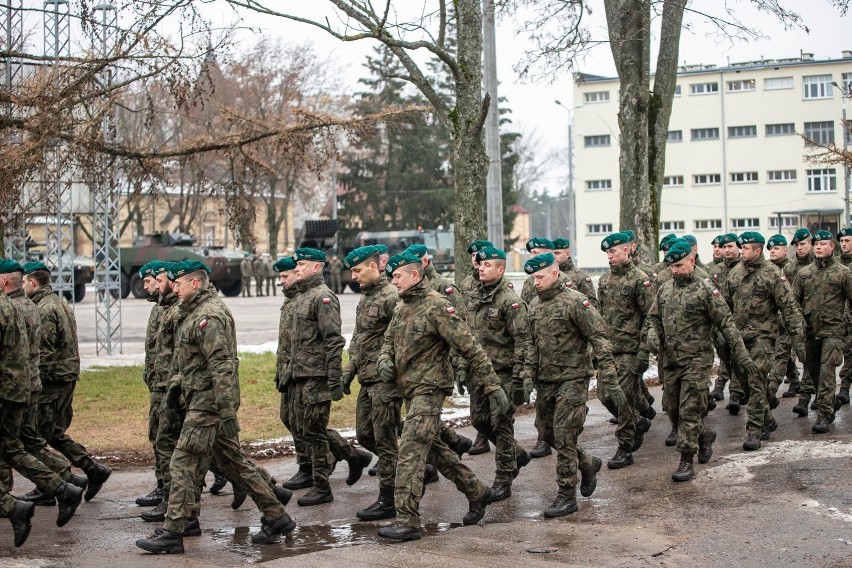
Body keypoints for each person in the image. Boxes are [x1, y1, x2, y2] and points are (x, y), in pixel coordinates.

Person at [135, 261, 295, 554]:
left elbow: (221, 366)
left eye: (179, 284)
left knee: (182, 462)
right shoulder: (192, 312)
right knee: (234, 463)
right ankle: (277, 515)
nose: (175, 289)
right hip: (198, 399)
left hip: (209, 403)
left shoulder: (209, 315)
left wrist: (226, 411)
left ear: (194, 283)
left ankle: (173, 532)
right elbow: (191, 361)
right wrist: (175, 387)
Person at [376, 252, 505, 541]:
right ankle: (478, 491)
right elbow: (388, 342)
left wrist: (492, 385)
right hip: (408, 389)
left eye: (397, 276)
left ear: (414, 275)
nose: (392, 280)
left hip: (430, 390)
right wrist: (385, 360)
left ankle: (407, 520)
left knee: (409, 450)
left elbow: (470, 347)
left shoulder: (437, 306)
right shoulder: (401, 307)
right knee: (433, 448)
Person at [643, 241, 756, 481]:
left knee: (689, 410)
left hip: (696, 360)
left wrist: (741, 354)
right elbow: (652, 318)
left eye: (680, 265)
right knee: (672, 410)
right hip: (670, 360)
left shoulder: (705, 289)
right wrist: (652, 333)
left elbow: (726, 323)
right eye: (672, 266)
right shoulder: (664, 289)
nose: (675, 270)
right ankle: (703, 435)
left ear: (692, 261)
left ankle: (686, 460)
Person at [524, 252, 621, 516]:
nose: (536, 282)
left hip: (573, 379)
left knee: (564, 436)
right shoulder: (534, 305)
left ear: (555, 274)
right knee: (547, 435)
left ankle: (566, 495)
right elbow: (532, 346)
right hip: (545, 381)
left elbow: (600, 339)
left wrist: (608, 375)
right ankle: (587, 462)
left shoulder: (576, 302)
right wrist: (525, 376)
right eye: (533, 278)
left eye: (540, 277)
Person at [283, 248, 372, 506]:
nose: (297, 268)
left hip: (317, 375)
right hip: (300, 375)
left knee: (315, 432)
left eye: (302, 264)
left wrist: (334, 378)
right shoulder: (302, 296)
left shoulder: (323, 297)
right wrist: (289, 373)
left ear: (317, 267)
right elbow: (297, 342)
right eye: (296, 265)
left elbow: (333, 340)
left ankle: (322, 486)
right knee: (303, 428)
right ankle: (351, 458)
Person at [0, 260, 84, 527]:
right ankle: (65, 485)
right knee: (20, 444)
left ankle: (18, 501)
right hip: (24, 385)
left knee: (20, 444)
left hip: (14, 387)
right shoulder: (23, 306)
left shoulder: (14, 307)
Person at [22, 262, 112, 501]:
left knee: (36, 435)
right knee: (52, 432)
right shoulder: (59, 302)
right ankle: (93, 470)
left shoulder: (42, 309)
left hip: (52, 379)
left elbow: (44, 351)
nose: (22, 287)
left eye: (24, 282)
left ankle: (50, 486)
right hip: (65, 375)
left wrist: (34, 384)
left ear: (33, 282)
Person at [721, 232, 805, 450]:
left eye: (746, 248)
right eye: (741, 248)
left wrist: (798, 340)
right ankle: (768, 419)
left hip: (763, 337)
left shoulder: (772, 274)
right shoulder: (735, 274)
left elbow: (789, 308)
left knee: (756, 380)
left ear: (757, 251)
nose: (741, 251)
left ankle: (754, 430)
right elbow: (723, 306)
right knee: (747, 385)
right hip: (739, 339)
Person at [464, 246, 532, 501]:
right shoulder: (477, 297)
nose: (480, 268)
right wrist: (462, 366)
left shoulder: (509, 301)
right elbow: (469, 335)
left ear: (500, 269)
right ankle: (517, 453)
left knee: (501, 426)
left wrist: (519, 378)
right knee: (479, 421)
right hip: (479, 373)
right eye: (479, 265)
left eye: (487, 265)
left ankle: (504, 478)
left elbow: (523, 341)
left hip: (503, 374)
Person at [341, 246, 402, 520]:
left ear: (374, 267)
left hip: (384, 381)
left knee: (385, 440)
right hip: (366, 378)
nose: (354, 276)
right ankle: (407, 469)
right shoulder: (366, 298)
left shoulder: (391, 297)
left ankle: (388, 499)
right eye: (352, 271)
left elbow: (400, 340)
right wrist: (349, 371)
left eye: (358, 270)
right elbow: (359, 339)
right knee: (365, 434)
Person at [597, 233, 654, 469]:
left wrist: (644, 352)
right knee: (604, 394)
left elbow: (651, 318)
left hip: (631, 350)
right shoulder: (604, 281)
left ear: (627, 251)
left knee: (623, 398)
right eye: (608, 253)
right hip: (610, 350)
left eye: (613, 251)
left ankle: (625, 448)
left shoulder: (640, 280)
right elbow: (600, 315)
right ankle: (636, 421)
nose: (610, 256)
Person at [790, 230, 852, 433]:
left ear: (831, 247)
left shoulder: (843, 273)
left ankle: (824, 415)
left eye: (823, 244)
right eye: (815, 243)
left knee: (826, 372)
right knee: (813, 372)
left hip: (833, 331)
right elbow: (793, 302)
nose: (818, 247)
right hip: (810, 332)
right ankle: (830, 401)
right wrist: (797, 323)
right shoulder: (804, 273)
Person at [136, 262, 165, 508]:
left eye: (148, 281)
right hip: (159, 381)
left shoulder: (169, 308)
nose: (145, 287)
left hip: (168, 384)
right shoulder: (158, 307)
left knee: (164, 439)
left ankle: (166, 489)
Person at [709, 233, 748, 414]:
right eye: (724, 247)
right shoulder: (714, 271)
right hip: (720, 325)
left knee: (738, 358)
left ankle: (735, 395)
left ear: (739, 248)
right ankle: (741, 389)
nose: (726, 250)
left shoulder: (744, 269)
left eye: (730, 246)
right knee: (728, 360)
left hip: (742, 323)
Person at [766, 234, 802, 400]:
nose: (772, 251)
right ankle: (795, 381)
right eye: (771, 248)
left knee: (780, 353)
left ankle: (771, 389)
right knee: (782, 353)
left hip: (788, 318)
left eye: (776, 248)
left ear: (785, 250)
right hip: (772, 320)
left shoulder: (792, 268)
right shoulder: (766, 269)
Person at [553, 237, 598, 308]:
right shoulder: (550, 275)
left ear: (567, 254)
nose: (554, 257)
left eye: (557, 253)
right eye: (551, 254)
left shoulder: (580, 277)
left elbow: (591, 305)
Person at [835, 228, 852, 405]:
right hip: (839, 319)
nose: (844, 244)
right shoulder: (836, 264)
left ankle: (845, 388)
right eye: (842, 241)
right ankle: (844, 389)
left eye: (848, 240)